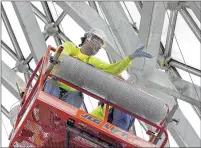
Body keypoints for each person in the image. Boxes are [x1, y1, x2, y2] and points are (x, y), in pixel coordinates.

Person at [43, 28, 153, 110]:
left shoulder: (93, 62)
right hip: (55, 82)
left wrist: (130, 58)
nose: (97, 48)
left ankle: (59, 119)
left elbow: (112, 69)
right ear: (88, 38)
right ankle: (48, 110)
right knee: (52, 88)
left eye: (99, 47)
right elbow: (62, 55)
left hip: (72, 93)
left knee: (77, 96)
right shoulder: (71, 47)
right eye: (96, 43)